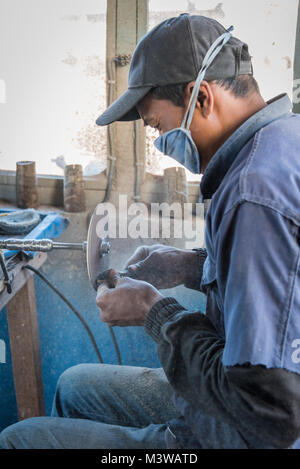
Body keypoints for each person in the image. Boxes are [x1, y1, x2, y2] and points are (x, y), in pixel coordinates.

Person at [1, 13, 300, 449]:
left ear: (200, 98)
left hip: (244, 432)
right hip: (238, 402)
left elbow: (272, 413)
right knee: (73, 384)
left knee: (20, 440)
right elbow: (279, 292)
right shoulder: (281, 143)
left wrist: (155, 311)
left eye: (158, 126)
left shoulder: (252, 194)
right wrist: (189, 267)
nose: (162, 144)